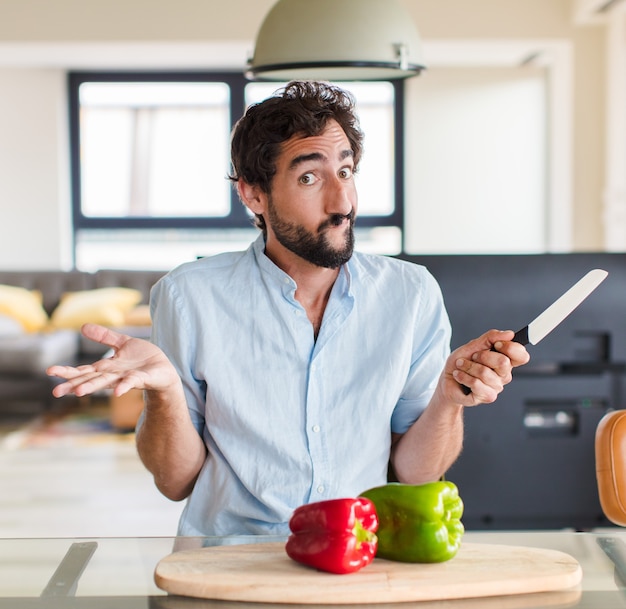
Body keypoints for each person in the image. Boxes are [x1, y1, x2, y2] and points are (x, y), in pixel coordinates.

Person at [47, 81, 530, 536]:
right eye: (308, 176)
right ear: (253, 194)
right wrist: (166, 392)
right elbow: (176, 483)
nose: (343, 201)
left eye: (345, 171)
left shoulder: (411, 294)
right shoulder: (187, 296)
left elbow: (416, 473)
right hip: (231, 560)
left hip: (360, 557)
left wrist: (448, 400)